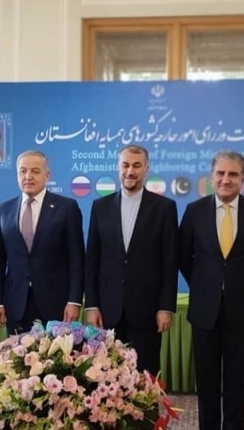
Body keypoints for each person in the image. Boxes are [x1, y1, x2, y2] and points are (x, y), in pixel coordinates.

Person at [178, 150, 244, 430]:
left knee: (236, 385)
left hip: (241, 311)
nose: (226, 179)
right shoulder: (194, 211)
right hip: (204, 312)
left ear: (243, 179)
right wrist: (204, 287)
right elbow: (183, 257)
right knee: (206, 384)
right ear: (212, 177)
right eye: (220, 173)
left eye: (233, 174)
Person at [84, 144, 178, 374]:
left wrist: (166, 307)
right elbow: (92, 260)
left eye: (137, 166)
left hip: (147, 311)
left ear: (146, 169)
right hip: (108, 311)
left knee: (146, 375)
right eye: (125, 165)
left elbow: (170, 263)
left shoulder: (165, 208)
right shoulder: (100, 206)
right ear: (118, 167)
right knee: (108, 377)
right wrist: (92, 305)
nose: (130, 171)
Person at [0, 150, 84, 334]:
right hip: (16, 304)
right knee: (16, 353)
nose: (28, 176)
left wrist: (74, 300)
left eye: (35, 171)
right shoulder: (4, 209)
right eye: (23, 171)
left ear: (47, 175)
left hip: (56, 305)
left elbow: (77, 260)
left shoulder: (66, 208)